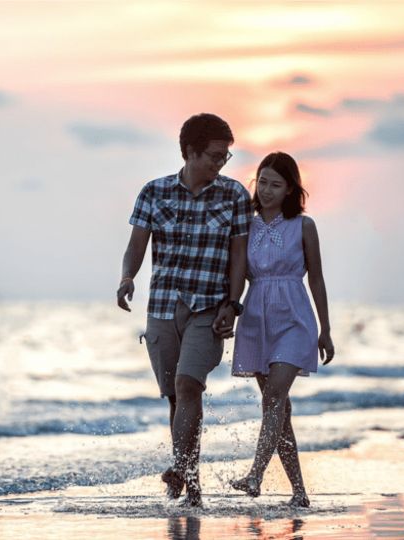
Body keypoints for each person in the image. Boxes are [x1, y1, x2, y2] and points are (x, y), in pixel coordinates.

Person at [117, 113, 252, 506]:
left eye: (225, 156)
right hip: (162, 306)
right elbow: (136, 245)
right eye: (214, 156)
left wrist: (232, 303)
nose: (221, 163)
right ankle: (190, 484)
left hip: (209, 308)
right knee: (177, 399)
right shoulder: (153, 192)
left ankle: (181, 471)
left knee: (188, 384)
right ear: (190, 152)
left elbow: (238, 258)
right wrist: (128, 278)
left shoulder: (234, 195)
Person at [228, 151, 335, 507]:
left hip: (294, 318)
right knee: (278, 410)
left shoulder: (304, 226)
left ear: (291, 189)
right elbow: (237, 275)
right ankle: (300, 493)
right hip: (256, 319)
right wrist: (226, 310)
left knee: (274, 398)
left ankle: (255, 475)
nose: (268, 190)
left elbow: (317, 278)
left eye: (277, 184)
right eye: (263, 182)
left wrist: (326, 329)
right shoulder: (245, 223)